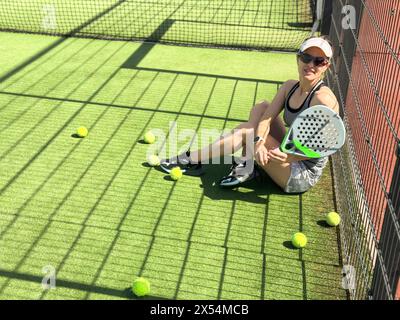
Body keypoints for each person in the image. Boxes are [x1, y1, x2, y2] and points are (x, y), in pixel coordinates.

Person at [160, 36, 339, 194]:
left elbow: (321, 149)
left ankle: (190, 159)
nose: (310, 65)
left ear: (326, 66)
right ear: (298, 58)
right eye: (306, 57)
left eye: (319, 61)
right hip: (286, 152)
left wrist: (288, 157)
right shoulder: (289, 87)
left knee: (247, 132)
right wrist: (258, 143)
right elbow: (266, 118)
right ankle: (246, 164)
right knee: (261, 107)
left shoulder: (323, 101)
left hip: (300, 172)